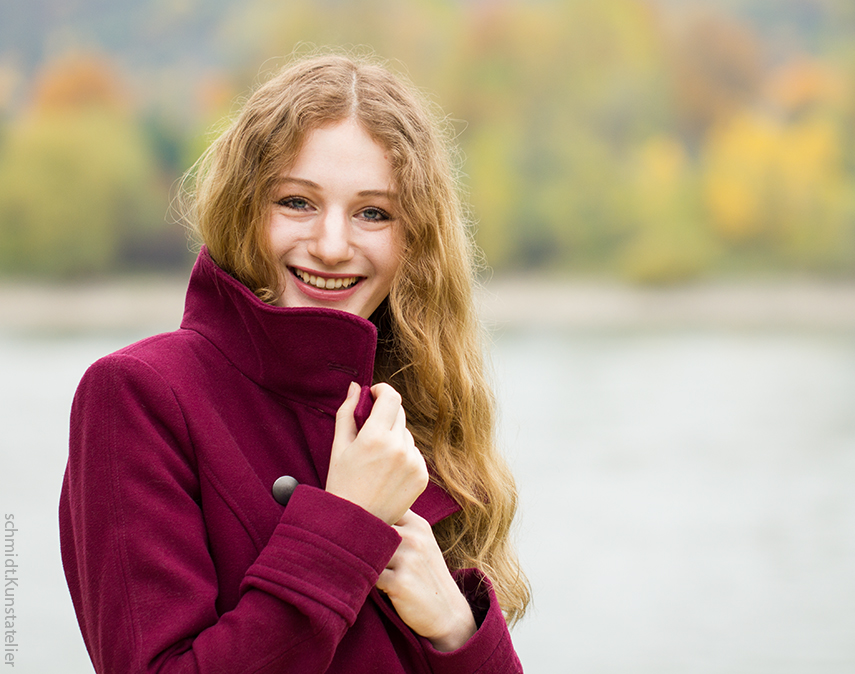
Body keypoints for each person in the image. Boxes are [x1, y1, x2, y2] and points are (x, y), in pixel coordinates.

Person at [59, 52, 529, 673]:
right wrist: (348, 525)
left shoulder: (412, 404)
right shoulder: (139, 394)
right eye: (298, 202)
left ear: (415, 237)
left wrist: (455, 627)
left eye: (373, 213)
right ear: (245, 208)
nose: (332, 246)